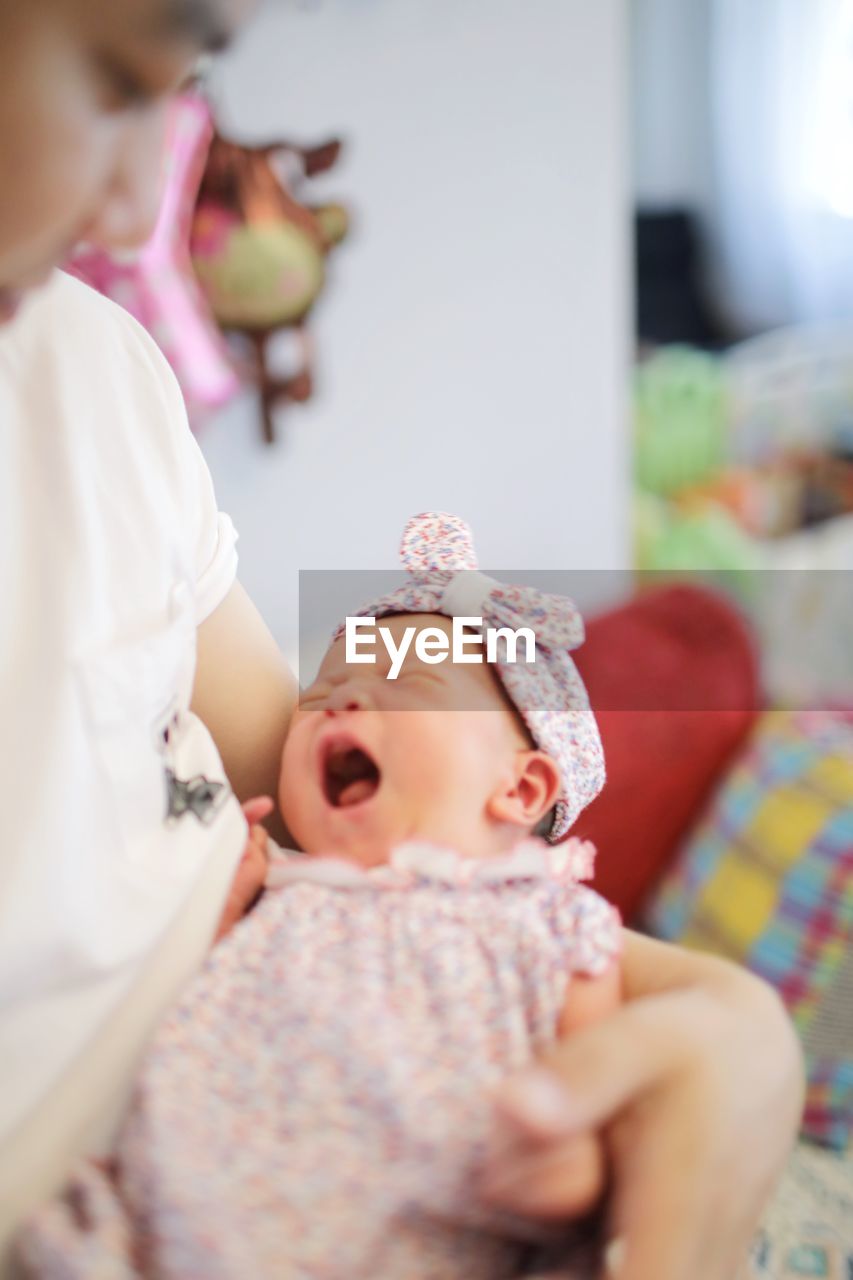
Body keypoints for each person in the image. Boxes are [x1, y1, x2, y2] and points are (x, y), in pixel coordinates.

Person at [0, 2, 804, 1277]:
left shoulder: (96, 369)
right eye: (113, 80)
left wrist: (728, 1024)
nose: (134, 210)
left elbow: (559, 990)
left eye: (177, 85)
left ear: (524, 787)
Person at [17, 512, 626, 1276]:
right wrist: (223, 904)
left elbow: (599, 1063)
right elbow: (196, 997)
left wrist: (567, 1144)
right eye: (327, 686)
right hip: (202, 1196)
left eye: (405, 685)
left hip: (416, 1217)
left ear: (520, 785)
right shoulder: (281, 882)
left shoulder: (550, 919)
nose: (341, 702)